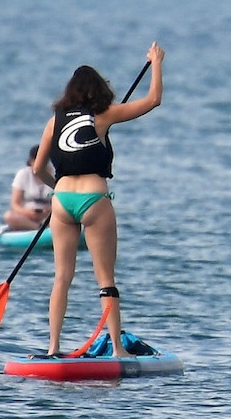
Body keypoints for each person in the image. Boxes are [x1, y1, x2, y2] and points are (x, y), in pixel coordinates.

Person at [32, 43, 163, 357]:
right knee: (105, 278)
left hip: (61, 202)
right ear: (98, 91)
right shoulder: (103, 114)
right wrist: (156, 62)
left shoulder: (55, 120)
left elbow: (38, 168)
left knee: (62, 277)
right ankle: (117, 348)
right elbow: (154, 100)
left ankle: (52, 348)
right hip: (94, 200)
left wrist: (59, 189)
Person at [5, 146, 54, 231]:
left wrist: (49, 211)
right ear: (31, 162)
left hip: (50, 215)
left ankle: (47, 227)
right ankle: (38, 228)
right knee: (9, 216)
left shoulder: (55, 174)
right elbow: (15, 204)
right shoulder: (23, 174)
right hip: (28, 215)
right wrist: (28, 213)